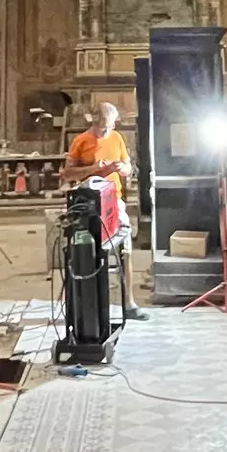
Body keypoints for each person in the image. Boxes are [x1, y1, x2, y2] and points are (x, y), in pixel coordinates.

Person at [62, 102, 147, 319]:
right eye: (102, 127)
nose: (106, 131)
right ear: (93, 121)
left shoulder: (117, 138)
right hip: (88, 202)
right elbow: (67, 174)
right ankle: (84, 306)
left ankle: (129, 303)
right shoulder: (81, 141)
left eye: (109, 127)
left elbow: (128, 168)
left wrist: (122, 168)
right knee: (85, 251)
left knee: (125, 247)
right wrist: (94, 168)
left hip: (114, 200)